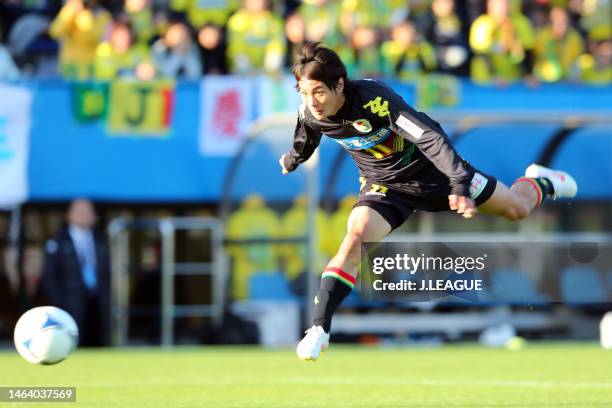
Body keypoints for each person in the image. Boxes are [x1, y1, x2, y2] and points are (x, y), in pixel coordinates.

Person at [279, 42, 578, 361]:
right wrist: (292, 159)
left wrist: (458, 183)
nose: (311, 102)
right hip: (385, 186)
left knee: (517, 209)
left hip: (437, 174)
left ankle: (541, 180)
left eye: (318, 92)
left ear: (339, 84)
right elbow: (305, 138)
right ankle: (320, 328)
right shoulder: (311, 112)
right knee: (354, 239)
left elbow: (429, 135)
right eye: (303, 93)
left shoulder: (374, 101)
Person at [41, 199, 111, 347]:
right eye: (79, 211)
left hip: (97, 302)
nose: (83, 215)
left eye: (87, 211)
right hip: (70, 304)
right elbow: (50, 275)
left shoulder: (101, 239)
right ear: (69, 215)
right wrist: (60, 302)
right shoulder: (58, 240)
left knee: (98, 343)